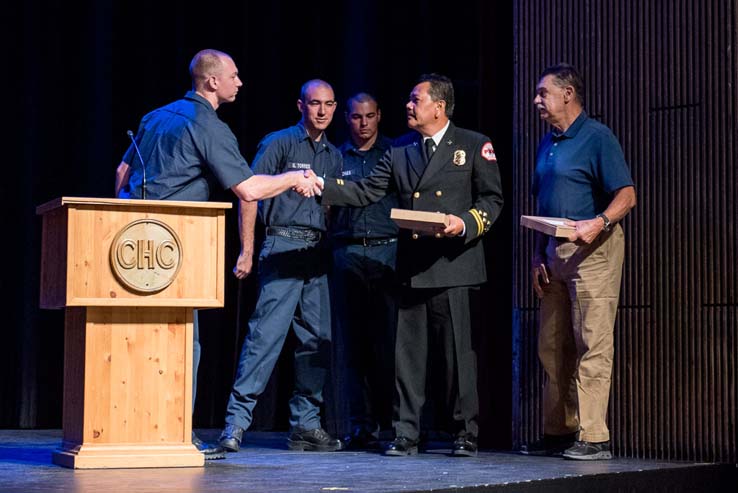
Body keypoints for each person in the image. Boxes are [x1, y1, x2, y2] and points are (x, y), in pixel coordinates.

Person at [114, 49, 320, 460]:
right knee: (183, 341)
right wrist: (295, 176)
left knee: (134, 336)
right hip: (173, 245)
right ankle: (176, 436)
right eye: (234, 76)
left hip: (130, 240)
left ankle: (133, 429)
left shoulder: (154, 116)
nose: (240, 83)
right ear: (212, 82)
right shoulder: (208, 125)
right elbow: (248, 190)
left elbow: (122, 175)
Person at [320, 74, 503, 457]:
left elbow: (492, 200)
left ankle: (464, 431)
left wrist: (465, 223)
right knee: (408, 357)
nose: (408, 105)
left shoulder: (472, 144)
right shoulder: (400, 150)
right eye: (408, 99)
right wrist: (322, 185)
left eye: (415, 99)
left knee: (456, 357)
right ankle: (406, 433)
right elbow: (366, 190)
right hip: (413, 267)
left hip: (454, 264)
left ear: (438, 107)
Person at [218, 79, 343, 453]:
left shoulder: (335, 155)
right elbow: (248, 193)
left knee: (315, 341)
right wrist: (247, 249)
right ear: (300, 105)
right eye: (315, 104)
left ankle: (306, 424)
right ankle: (235, 423)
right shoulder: (280, 142)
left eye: (328, 104)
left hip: (316, 252)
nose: (322, 111)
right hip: (282, 244)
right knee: (264, 339)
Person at [520, 63, 636, 460]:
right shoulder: (548, 141)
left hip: (593, 250)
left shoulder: (597, 137)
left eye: (543, 92)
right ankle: (559, 431)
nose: (536, 100)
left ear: (568, 94)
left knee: (592, 342)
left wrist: (598, 222)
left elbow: (627, 195)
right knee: (552, 346)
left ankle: (594, 436)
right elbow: (542, 202)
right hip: (553, 253)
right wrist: (537, 254)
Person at [329, 93, 398, 449]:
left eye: (370, 116)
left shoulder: (394, 153)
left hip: (388, 253)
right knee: (354, 348)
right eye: (357, 117)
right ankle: (359, 425)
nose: (364, 123)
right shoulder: (336, 157)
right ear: (347, 118)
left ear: (380, 116)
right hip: (348, 252)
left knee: (390, 345)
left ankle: (394, 424)